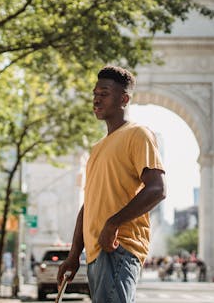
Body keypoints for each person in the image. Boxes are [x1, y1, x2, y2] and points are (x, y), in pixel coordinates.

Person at [57, 65, 166, 302]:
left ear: (124, 98)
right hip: (97, 253)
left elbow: (158, 189)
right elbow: (90, 205)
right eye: (95, 94)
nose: (96, 99)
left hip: (119, 247)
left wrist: (113, 223)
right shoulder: (97, 148)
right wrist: (74, 255)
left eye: (104, 94)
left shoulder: (138, 134)